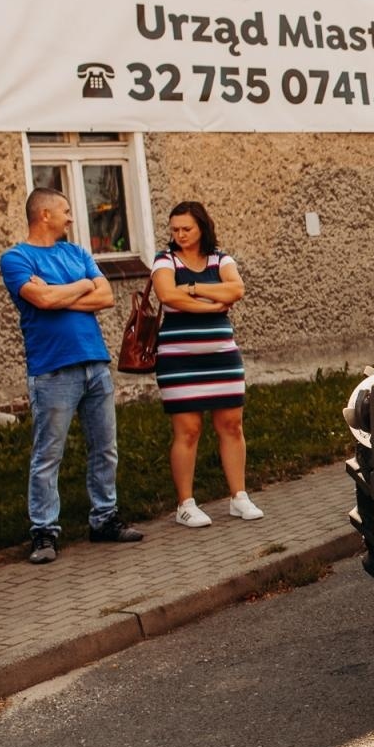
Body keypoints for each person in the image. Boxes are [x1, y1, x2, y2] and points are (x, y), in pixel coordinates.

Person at [0, 187, 142, 564]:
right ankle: (44, 532)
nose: (71, 217)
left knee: (105, 448)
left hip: (94, 363)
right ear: (44, 214)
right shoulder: (16, 258)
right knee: (49, 454)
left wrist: (62, 292)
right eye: (65, 210)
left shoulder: (77, 252)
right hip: (52, 369)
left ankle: (104, 519)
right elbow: (41, 301)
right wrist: (81, 287)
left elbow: (106, 296)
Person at [149, 201, 264, 528]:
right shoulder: (165, 260)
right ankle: (185, 504)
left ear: (202, 227)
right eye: (175, 229)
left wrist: (196, 288)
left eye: (186, 228)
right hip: (178, 360)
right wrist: (212, 306)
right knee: (188, 429)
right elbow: (168, 295)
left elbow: (237, 288)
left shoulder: (220, 258)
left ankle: (238, 496)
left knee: (231, 425)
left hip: (222, 358)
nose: (180, 235)